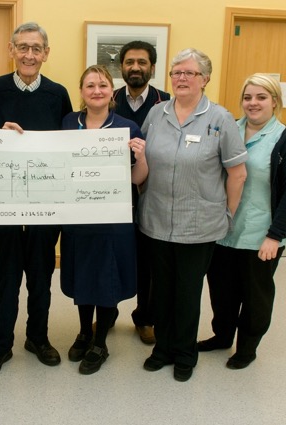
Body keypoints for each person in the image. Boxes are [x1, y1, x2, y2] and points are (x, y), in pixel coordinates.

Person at [135, 48, 248, 382]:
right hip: (156, 221)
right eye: (176, 73)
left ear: (205, 79)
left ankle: (184, 353)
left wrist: (227, 215)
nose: (181, 79)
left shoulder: (220, 119)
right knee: (162, 291)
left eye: (189, 73)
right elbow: (141, 158)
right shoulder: (156, 114)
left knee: (187, 292)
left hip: (199, 225)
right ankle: (162, 349)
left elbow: (237, 173)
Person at [0, 22, 73, 378]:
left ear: (46, 53)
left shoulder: (58, 94)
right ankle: (0, 344)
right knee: (5, 274)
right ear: (11, 49)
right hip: (4, 201)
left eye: (36, 48)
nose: (29, 54)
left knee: (40, 273)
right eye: (23, 47)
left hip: (46, 204)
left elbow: (67, 146)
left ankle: (37, 337)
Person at [199, 73, 286, 369]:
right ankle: (222, 336)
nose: (253, 103)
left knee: (255, 295)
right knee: (222, 290)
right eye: (248, 97)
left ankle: (247, 347)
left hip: (261, 234)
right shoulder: (229, 128)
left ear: (275, 101)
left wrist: (275, 235)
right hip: (223, 230)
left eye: (261, 97)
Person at [60, 65, 148, 375]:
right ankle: (85, 331)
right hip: (78, 218)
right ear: (81, 92)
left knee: (107, 278)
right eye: (89, 85)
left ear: (112, 91)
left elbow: (139, 178)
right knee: (83, 275)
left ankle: (100, 342)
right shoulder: (69, 123)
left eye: (102, 85)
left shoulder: (127, 128)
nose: (96, 90)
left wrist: (142, 155)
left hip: (113, 220)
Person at [113, 41, 172, 345]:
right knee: (112, 255)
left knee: (150, 260)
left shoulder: (168, 104)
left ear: (152, 67)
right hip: (111, 196)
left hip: (152, 194)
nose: (135, 67)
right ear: (120, 66)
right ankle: (107, 313)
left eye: (142, 62)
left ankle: (145, 317)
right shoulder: (105, 99)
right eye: (129, 62)